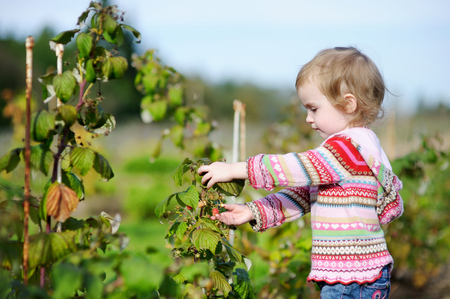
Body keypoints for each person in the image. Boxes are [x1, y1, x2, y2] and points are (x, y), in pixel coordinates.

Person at [198, 47, 404, 299]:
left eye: (314, 108)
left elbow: (294, 167)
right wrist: (253, 211)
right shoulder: (356, 149)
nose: (308, 118)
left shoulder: (348, 149)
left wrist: (234, 169)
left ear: (349, 104)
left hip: (353, 279)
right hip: (356, 274)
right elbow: (304, 196)